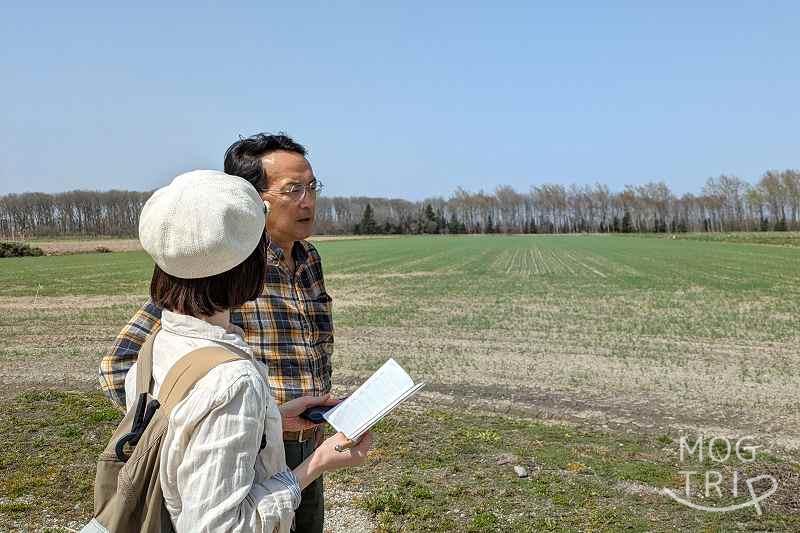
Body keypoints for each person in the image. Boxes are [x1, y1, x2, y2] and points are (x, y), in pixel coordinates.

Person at [99, 133, 335, 532]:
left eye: (312, 186)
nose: (307, 200)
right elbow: (118, 368)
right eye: (293, 189)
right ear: (251, 200)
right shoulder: (210, 269)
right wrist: (205, 433)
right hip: (243, 458)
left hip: (302, 445)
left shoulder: (308, 258)